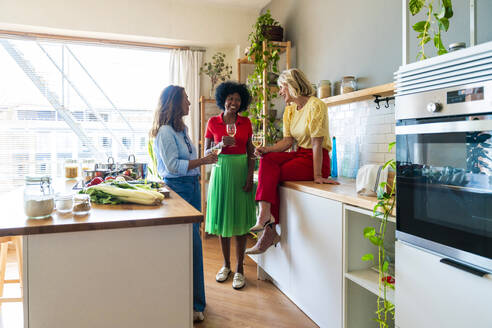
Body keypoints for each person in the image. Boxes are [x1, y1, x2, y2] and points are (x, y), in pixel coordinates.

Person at [245, 68, 339, 255]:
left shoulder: (316, 105)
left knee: (272, 173)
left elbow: (316, 143)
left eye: (282, 88)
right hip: (299, 155)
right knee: (268, 159)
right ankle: (266, 216)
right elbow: (288, 142)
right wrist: (267, 149)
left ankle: (268, 227)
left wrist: (318, 175)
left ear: (292, 86)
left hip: (315, 159)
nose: (280, 92)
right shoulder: (290, 111)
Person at [150, 85, 217, 322]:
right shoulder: (166, 132)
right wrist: (204, 160)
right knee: (192, 246)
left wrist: (206, 157)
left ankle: (192, 301)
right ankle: (195, 305)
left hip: (190, 187)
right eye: (186, 99)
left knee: (191, 244)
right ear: (175, 102)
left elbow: (187, 160)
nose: (189, 103)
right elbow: (172, 166)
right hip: (179, 190)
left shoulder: (181, 130)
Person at [204, 81, 256, 290]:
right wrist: (219, 145)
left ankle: (240, 268)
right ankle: (226, 266)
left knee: (240, 224)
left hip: (240, 170)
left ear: (241, 102)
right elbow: (207, 153)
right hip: (220, 172)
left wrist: (249, 177)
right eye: (230, 98)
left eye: (237, 99)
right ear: (223, 99)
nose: (234, 102)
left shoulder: (246, 123)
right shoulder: (213, 122)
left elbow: (251, 151)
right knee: (223, 222)